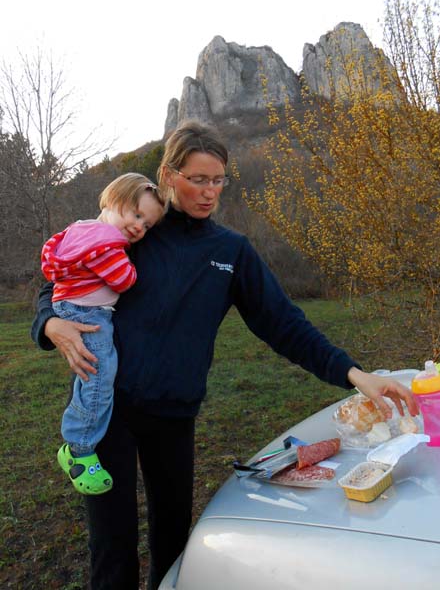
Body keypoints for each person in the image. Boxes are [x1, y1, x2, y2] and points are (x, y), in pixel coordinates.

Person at [31, 121, 419, 589]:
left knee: (174, 545)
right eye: (197, 179)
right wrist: (49, 324)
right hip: (109, 411)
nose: (209, 191)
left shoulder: (230, 250)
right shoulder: (138, 232)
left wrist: (355, 374)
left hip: (175, 415)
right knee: (112, 551)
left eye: (218, 180)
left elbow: (284, 323)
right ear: (170, 175)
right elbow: (61, 282)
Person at [40, 173, 166, 495]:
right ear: (113, 200)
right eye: (136, 214)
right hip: (88, 315)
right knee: (99, 374)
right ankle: (78, 450)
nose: (140, 227)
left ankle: (80, 440)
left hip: (72, 306)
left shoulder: (82, 229)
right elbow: (124, 281)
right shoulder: (107, 243)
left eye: (148, 225)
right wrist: (134, 267)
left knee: (92, 373)